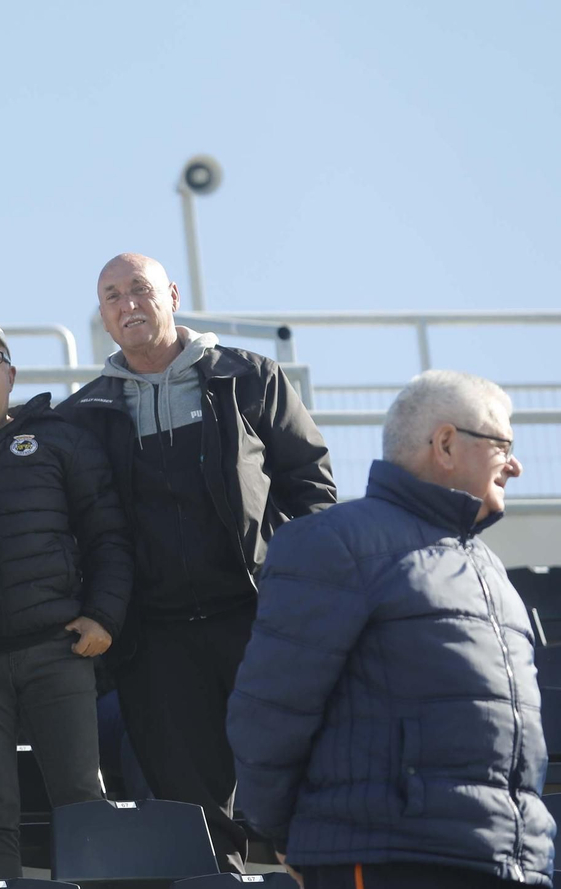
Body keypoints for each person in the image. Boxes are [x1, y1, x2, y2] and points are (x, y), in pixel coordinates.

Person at [58, 252, 336, 872]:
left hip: (254, 620)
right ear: (101, 313)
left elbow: (311, 490)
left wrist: (295, 594)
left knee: (298, 780)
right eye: (111, 296)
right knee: (194, 819)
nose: (127, 304)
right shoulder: (82, 414)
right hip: (154, 641)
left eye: (139, 289)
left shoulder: (249, 376)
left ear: (172, 295)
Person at [229, 370, 550, 889]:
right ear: (445, 443)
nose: (514, 464)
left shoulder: (492, 570)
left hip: (502, 864)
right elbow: (270, 710)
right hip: (385, 859)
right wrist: (296, 836)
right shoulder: (334, 543)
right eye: (502, 444)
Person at [0, 311, 132, 878]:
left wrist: (103, 618)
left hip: (58, 652)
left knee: (81, 803)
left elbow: (109, 537)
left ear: (11, 375)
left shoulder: (60, 438)